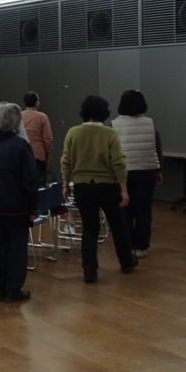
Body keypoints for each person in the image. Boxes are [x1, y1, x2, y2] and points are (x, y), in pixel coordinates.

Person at [60, 95, 135, 283]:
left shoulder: (73, 133)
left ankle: (90, 270)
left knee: (89, 228)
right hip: (107, 186)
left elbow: (66, 161)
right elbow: (118, 163)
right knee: (117, 225)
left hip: (82, 186)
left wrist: (65, 184)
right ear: (105, 113)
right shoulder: (110, 134)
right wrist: (124, 189)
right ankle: (126, 262)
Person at [0, 103, 39, 303]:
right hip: (17, 207)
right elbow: (30, 179)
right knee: (17, 249)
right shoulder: (20, 146)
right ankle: (13, 288)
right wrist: (33, 207)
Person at [112, 90, 163, 258]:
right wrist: (159, 169)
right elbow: (157, 147)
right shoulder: (150, 123)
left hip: (124, 173)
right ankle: (141, 246)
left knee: (125, 211)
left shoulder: (114, 125)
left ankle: (127, 244)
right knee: (144, 210)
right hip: (147, 171)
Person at [20, 92, 54, 184]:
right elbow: (48, 138)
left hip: (22, 154)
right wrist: (49, 153)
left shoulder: (19, 116)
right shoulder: (42, 117)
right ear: (37, 103)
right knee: (39, 184)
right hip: (38, 155)